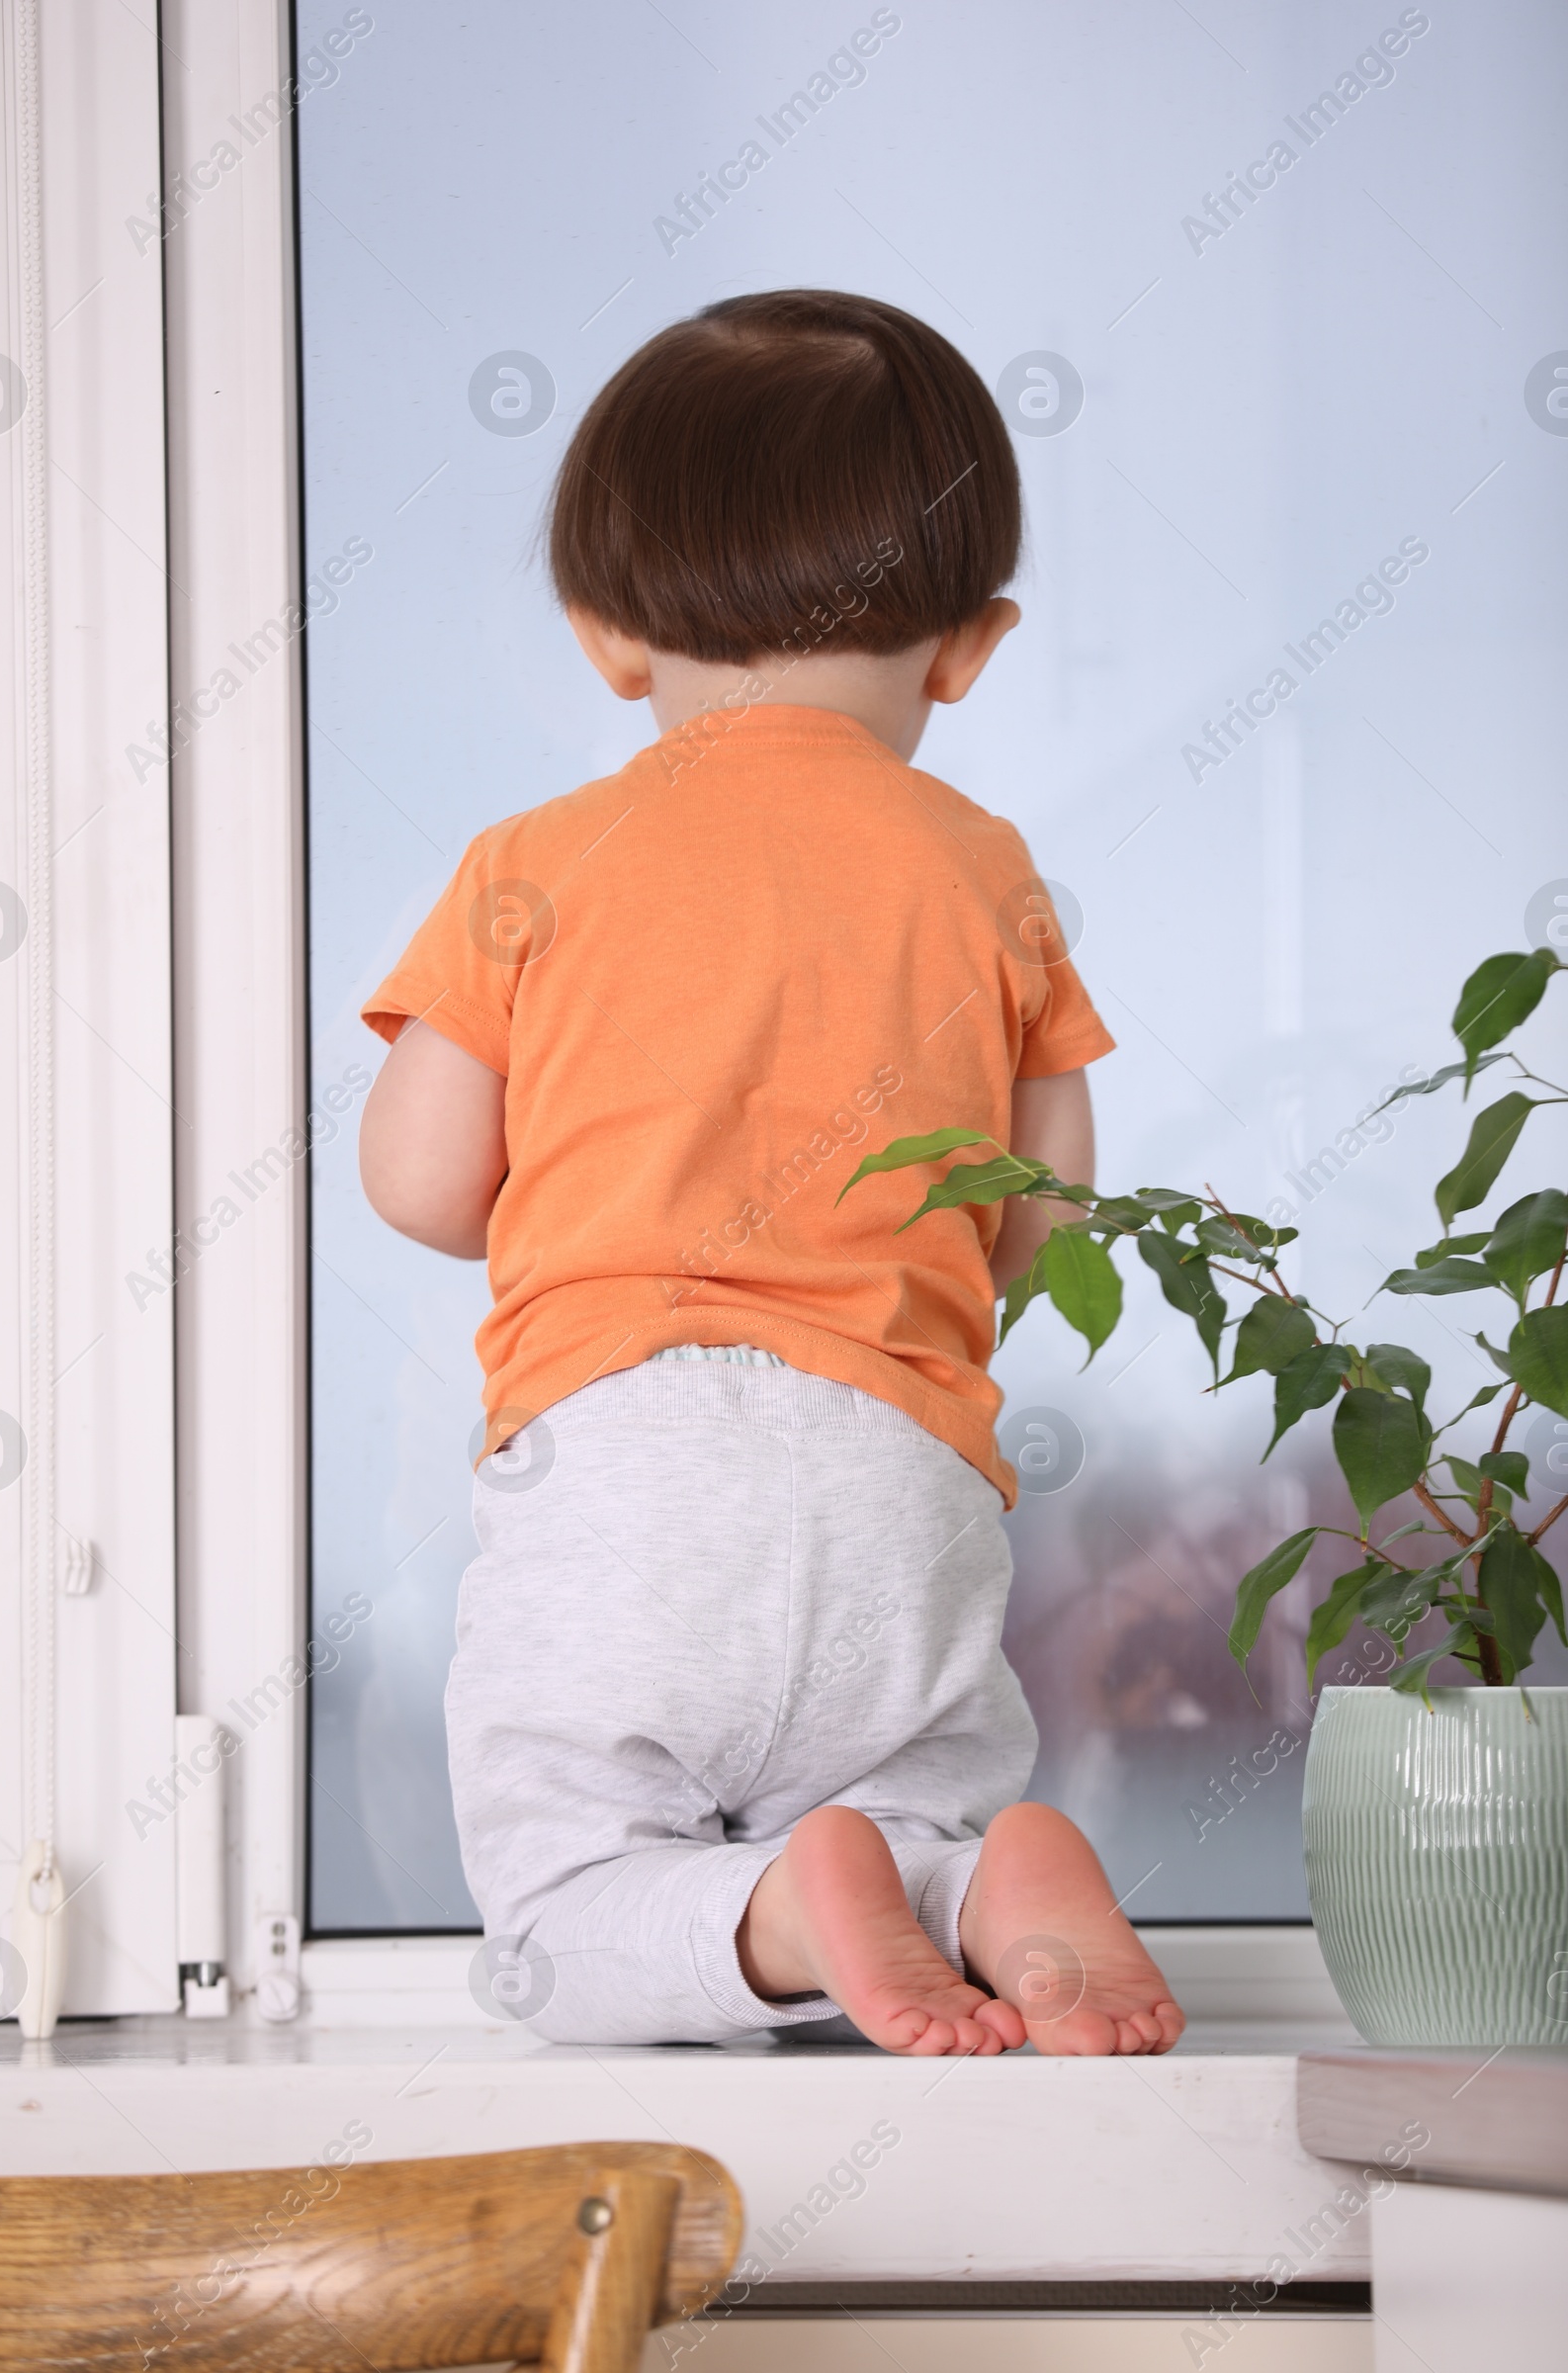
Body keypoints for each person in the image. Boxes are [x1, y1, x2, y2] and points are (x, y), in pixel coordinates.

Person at [358, 289, 1183, 2057]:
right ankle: (973, 1888)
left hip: (623, 1463)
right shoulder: (987, 872)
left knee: (566, 1904)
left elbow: (422, 1184)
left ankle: (787, 1922)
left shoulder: (538, 858)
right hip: (901, 1459)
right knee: (908, 1795)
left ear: (604, 633)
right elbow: (1043, 1224)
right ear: (968, 645)